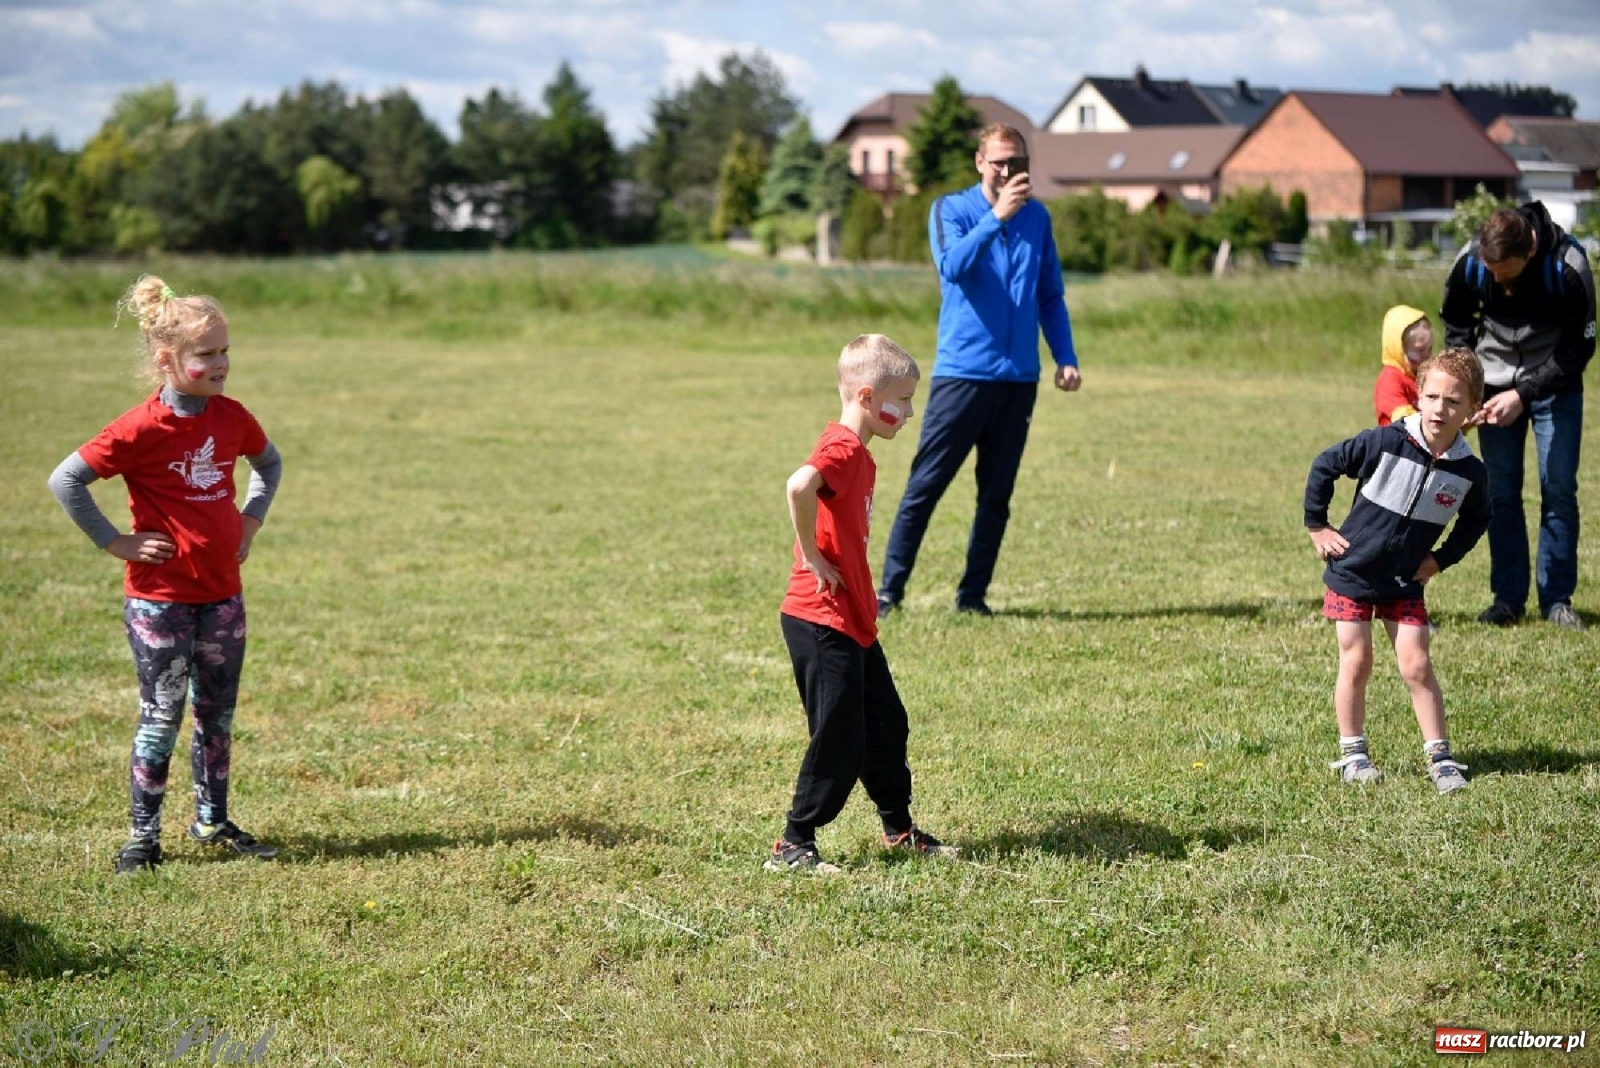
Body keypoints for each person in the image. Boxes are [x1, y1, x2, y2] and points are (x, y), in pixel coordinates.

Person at [48, 275, 283, 874]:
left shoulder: (232, 418)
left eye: (225, 350)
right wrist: (114, 540)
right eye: (206, 354)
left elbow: (269, 463)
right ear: (166, 359)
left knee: (217, 717)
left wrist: (249, 522)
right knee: (162, 716)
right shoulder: (137, 429)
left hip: (223, 597)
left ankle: (212, 819)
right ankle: (143, 836)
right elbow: (66, 480)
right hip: (160, 602)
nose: (221, 363)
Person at [767, 334, 957, 873]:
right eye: (904, 399)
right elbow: (799, 485)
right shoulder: (845, 450)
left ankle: (898, 829)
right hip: (819, 618)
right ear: (869, 398)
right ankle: (794, 844)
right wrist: (811, 556)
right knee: (840, 732)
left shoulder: (858, 454)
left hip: (852, 618)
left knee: (885, 720)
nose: (911, 412)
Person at [876, 122, 1081, 618]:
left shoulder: (1039, 219)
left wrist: (1065, 357)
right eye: (999, 162)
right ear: (979, 162)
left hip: (1018, 380)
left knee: (996, 497)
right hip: (963, 374)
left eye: (1018, 162)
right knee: (926, 486)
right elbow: (952, 266)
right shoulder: (950, 210)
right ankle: (888, 592)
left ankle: (973, 597)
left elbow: (1049, 296)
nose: (1009, 171)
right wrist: (996, 217)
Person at [1304, 348, 1490, 794]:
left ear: (1472, 410)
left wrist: (1441, 560)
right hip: (1353, 572)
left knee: (1417, 665)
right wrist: (1318, 525)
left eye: (1453, 401)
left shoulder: (1469, 472)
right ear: (1419, 397)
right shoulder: (1385, 441)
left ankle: (1441, 759)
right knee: (1357, 660)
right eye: (1432, 396)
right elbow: (1326, 464)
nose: (1440, 408)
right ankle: (1353, 754)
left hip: (1404, 581)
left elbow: (1476, 520)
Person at [1440, 202, 1596, 630]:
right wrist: (1470, 387)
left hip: (1555, 389)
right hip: (1491, 385)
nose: (1495, 279)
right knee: (1501, 494)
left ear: (1528, 252)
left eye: (1504, 271)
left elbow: (1578, 348)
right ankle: (1507, 600)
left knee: (1558, 489)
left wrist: (1522, 395)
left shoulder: (1568, 265)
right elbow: (1456, 326)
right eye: (1490, 270)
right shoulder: (1473, 262)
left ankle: (1557, 600)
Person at [1373, 305, 1434, 426]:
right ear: (1400, 349)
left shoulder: (1423, 376)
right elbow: (1403, 419)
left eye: (1429, 349)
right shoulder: (1390, 379)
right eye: (1420, 350)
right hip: (1397, 444)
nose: (1426, 357)